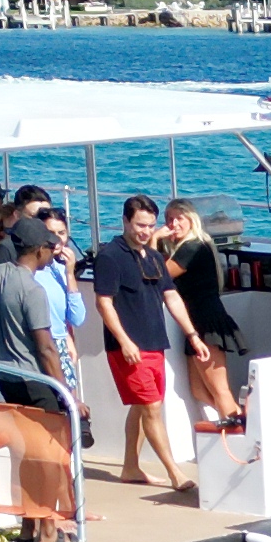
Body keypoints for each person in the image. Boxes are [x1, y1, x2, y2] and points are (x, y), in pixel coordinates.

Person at [0, 213, 82, 542]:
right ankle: (47, 530)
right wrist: (67, 392)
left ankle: (28, 526)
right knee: (46, 456)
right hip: (35, 381)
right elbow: (45, 348)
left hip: (6, 377)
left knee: (26, 455)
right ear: (39, 250)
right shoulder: (32, 289)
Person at [84, 197, 208, 489]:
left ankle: (130, 467)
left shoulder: (152, 257)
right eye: (140, 225)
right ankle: (174, 473)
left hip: (154, 343)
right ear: (126, 221)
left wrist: (192, 334)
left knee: (143, 407)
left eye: (150, 226)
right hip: (129, 347)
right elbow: (104, 303)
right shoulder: (110, 256)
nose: (145, 231)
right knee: (151, 407)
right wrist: (124, 341)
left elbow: (171, 296)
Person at [159, 203, 245, 430]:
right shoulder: (190, 247)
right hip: (196, 322)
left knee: (219, 389)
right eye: (169, 219)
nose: (173, 224)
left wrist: (154, 240)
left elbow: (161, 275)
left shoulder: (193, 247)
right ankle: (235, 421)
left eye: (179, 218)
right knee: (198, 389)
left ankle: (240, 428)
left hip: (206, 320)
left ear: (191, 220)